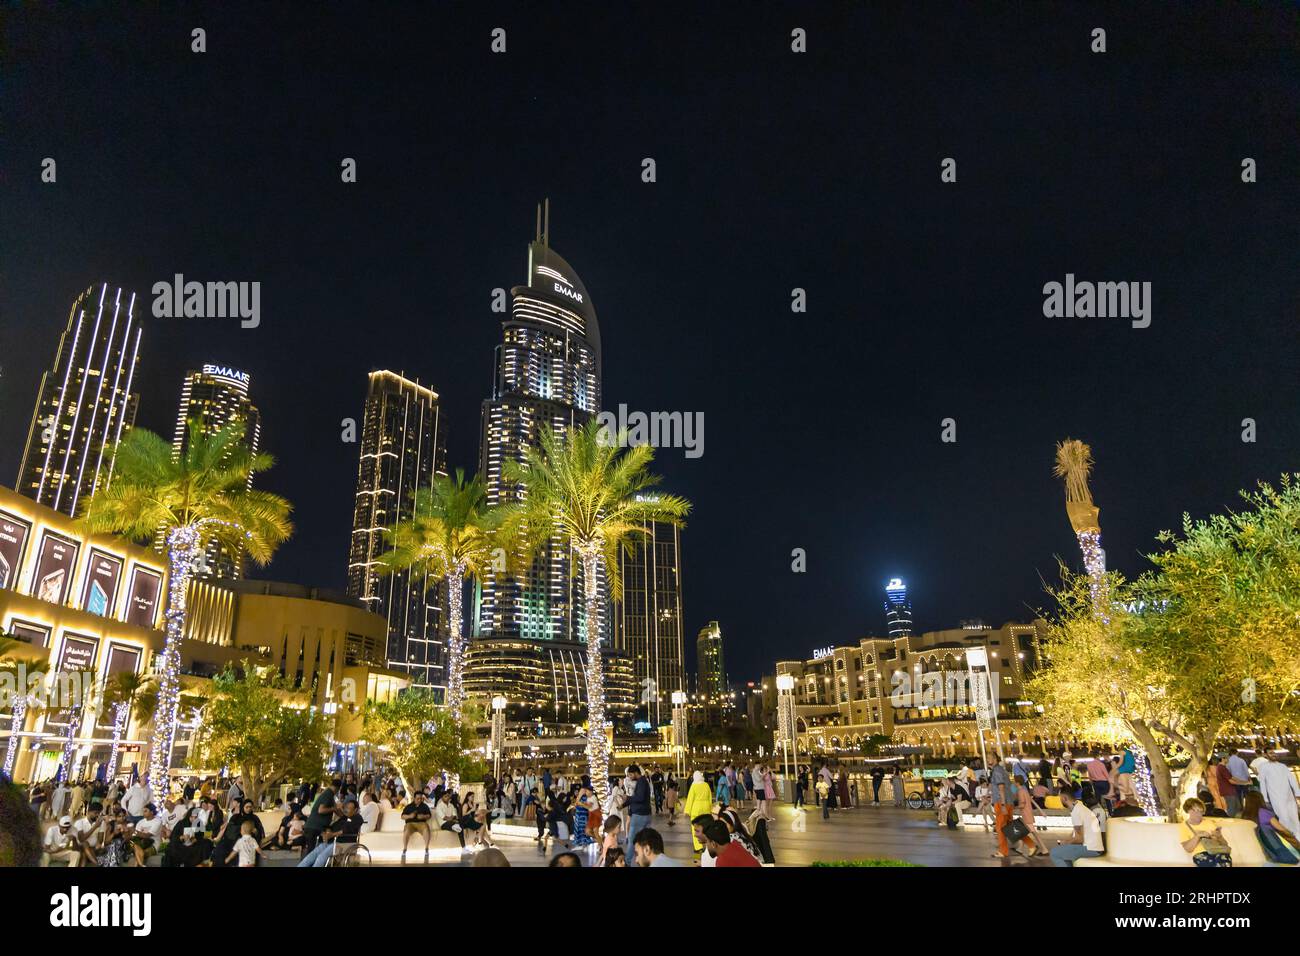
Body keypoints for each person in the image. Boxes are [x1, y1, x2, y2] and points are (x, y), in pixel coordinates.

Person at [296, 797, 364, 867]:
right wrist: (327, 832)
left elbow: (346, 830)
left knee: (321, 857)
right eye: (346, 807)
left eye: (349, 808)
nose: (346, 810)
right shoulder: (343, 818)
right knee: (311, 856)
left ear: (355, 810)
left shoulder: (358, 818)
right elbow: (332, 827)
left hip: (343, 843)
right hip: (331, 841)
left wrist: (332, 835)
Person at [1049, 786, 1105, 867]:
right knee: (1063, 853)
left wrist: (1065, 843)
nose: (1060, 800)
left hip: (1091, 848)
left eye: (1060, 798)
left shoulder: (1076, 811)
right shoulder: (1080, 807)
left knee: (1054, 853)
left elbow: (1079, 839)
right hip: (1094, 847)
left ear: (1064, 798)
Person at [1243, 790, 1300, 863]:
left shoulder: (1244, 815)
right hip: (1273, 844)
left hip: (1258, 846)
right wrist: (1291, 834)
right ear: (1260, 800)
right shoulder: (1264, 812)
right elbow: (1281, 828)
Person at [1252, 753, 1300, 838]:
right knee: (1284, 818)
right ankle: (1290, 838)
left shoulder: (1282, 766)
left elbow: (1291, 779)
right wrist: (1265, 798)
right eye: (1271, 753)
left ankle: (1298, 837)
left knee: (1294, 817)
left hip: (1289, 796)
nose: (1273, 755)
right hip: (1276, 797)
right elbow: (1262, 782)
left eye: (1274, 753)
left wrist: (1297, 792)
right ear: (1266, 755)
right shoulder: (1264, 767)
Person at [1178, 797, 1232, 867]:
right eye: (1195, 810)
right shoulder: (1184, 826)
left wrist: (1219, 836)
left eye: (1201, 811)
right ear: (1188, 811)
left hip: (1217, 851)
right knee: (1215, 864)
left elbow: (1225, 844)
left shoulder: (1209, 823)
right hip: (1200, 854)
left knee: (1225, 862)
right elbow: (1188, 849)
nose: (1199, 814)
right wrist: (1197, 836)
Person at [989, 754, 1015, 859]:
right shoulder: (1002, 770)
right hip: (1008, 801)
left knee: (1000, 827)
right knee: (1010, 827)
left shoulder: (997, 771)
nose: (987, 760)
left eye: (989, 758)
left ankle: (1003, 851)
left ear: (995, 759)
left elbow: (1001, 787)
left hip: (1001, 802)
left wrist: (1003, 805)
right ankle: (1031, 845)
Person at [623, 764, 652, 854]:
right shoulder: (642, 781)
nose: (630, 777)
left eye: (631, 775)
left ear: (636, 773)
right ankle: (644, 858)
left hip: (640, 814)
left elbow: (640, 798)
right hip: (644, 813)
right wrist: (624, 804)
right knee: (644, 839)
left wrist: (627, 798)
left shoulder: (641, 782)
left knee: (632, 839)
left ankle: (627, 861)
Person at [682, 771, 713, 853]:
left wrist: (687, 811)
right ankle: (707, 844)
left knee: (695, 829)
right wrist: (710, 808)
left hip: (696, 810)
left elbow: (690, 799)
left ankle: (698, 847)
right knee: (705, 828)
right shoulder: (706, 785)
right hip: (706, 809)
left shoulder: (694, 786)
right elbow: (710, 797)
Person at [303, 781, 336, 851]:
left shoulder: (328, 795)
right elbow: (321, 810)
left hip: (313, 826)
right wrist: (333, 809)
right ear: (337, 788)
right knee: (312, 851)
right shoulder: (328, 794)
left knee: (312, 850)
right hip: (315, 827)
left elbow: (336, 808)